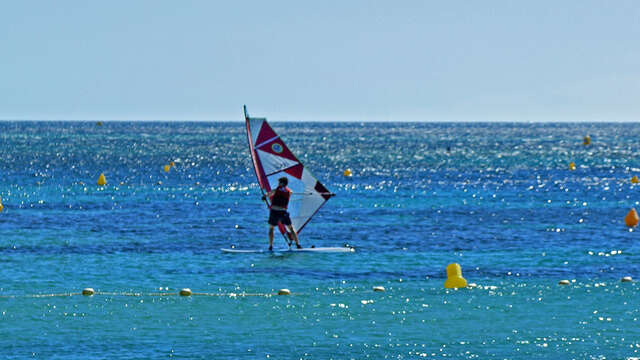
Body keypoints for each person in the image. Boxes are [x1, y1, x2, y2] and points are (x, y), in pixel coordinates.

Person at [262, 177, 301, 250]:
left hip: (274, 212)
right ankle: (298, 245)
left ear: (282, 183)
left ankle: (270, 246)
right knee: (291, 228)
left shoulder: (276, 190)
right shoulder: (289, 191)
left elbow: (268, 194)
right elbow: (290, 192)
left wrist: (264, 196)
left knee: (271, 228)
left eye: (279, 182)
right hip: (283, 212)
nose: (278, 184)